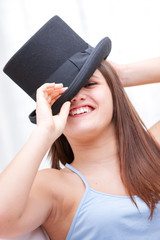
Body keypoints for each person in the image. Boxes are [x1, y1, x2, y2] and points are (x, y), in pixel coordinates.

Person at [0, 16, 160, 240]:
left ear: (114, 90)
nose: (76, 97)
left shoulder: (155, 149)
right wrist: (43, 133)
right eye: (62, 95)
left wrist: (122, 74)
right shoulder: (54, 187)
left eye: (90, 84)